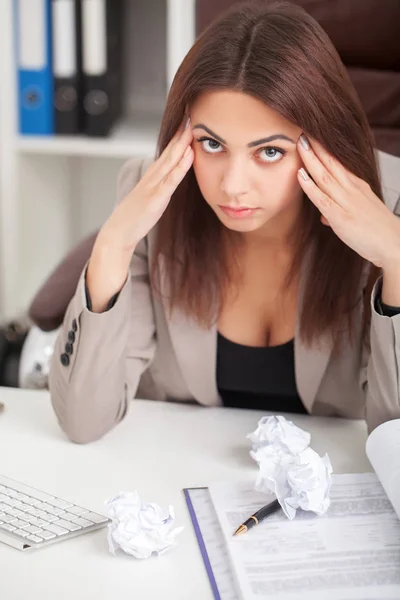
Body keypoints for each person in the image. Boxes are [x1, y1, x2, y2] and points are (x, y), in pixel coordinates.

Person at [49, 0, 400, 444]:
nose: (232, 185)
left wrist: (397, 258)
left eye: (269, 151)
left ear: (325, 141)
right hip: (175, 478)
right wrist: (113, 242)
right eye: (211, 144)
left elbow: (396, 443)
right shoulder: (154, 198)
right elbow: (83, 422)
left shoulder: (391, 204)